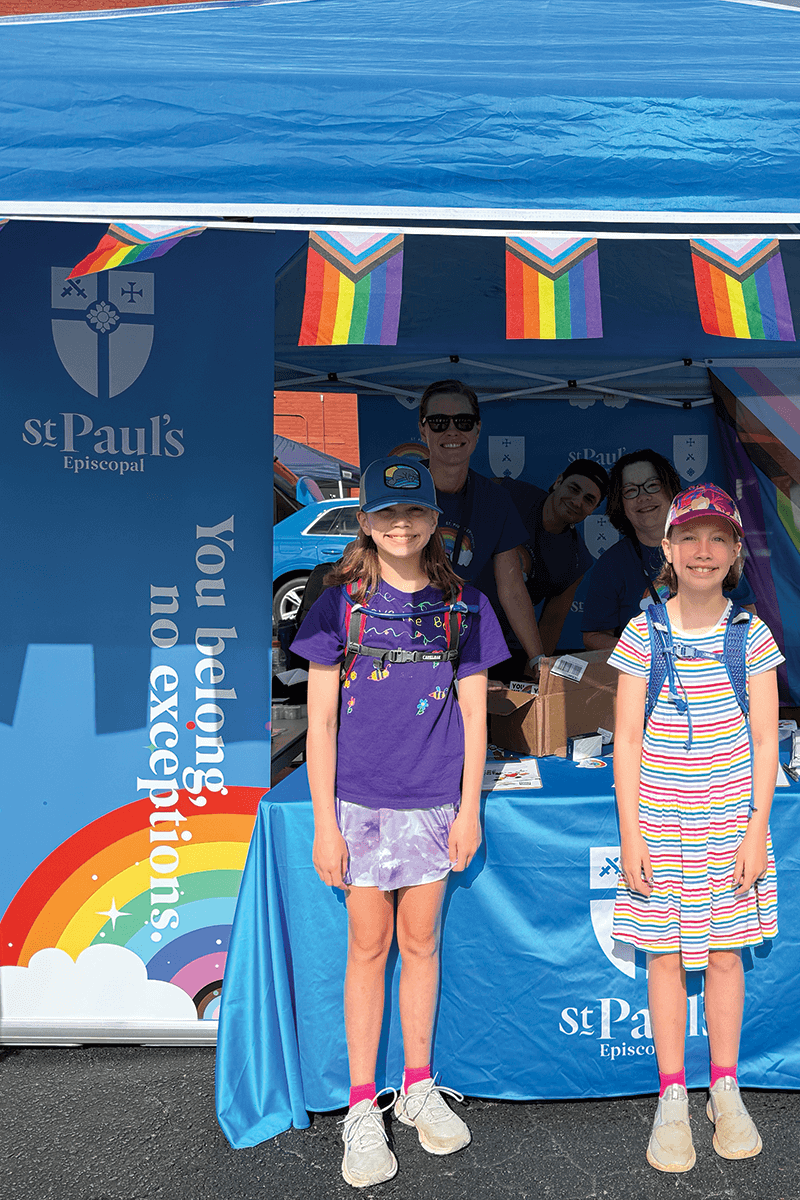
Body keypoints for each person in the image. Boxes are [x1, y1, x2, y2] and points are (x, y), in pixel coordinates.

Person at [291, 456, 509, 1189]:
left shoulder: (466, 607)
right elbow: (318, 724)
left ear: (434, 520)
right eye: (387, 514)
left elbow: (478, 718)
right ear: (366, 520)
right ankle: (362, 1106)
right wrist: (326, 823)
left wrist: (469, 808)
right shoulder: (338, 604)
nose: (402, 526)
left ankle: (417, 1086)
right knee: (368, 946)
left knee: (421, 944)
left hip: (434, 803)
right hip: (355, 804)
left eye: (415, 514)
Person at [609, 483, 782, 1173]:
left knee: (725, 955)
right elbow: (624, 739)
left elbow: (769, 743)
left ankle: (726, 1087)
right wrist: (630, 837)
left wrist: (754, 830)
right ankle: (673, 1093)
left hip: (731, 826)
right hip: (660, 826)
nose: (702, 550)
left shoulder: (752, 635)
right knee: (663, 957)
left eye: (717, 538)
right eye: (689, 537)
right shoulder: (642, 632)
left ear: (736, 551)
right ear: (667, 549)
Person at [417, 378, 545, 673]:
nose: (452, 430)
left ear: (477, 429)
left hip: (470, 646)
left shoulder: (495, 499)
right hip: (407, 640)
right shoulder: (402, 491)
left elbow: (512, 587)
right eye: (438, 422)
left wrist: (538, 659)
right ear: (422, 429)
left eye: (463, 421)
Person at [582, 450, 755, 650]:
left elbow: (747, 614)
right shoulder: (611, 564)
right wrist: (647, 652)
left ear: (671, 490)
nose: (643, 497)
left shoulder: (711, 550)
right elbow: (594, 637)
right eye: (630, 490)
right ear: (619, 503)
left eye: (652, 485)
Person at [497, 459, 608, 663]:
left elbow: (552, 622)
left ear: (593, 509)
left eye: (588, 499)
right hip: (455, 620)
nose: (577, 502)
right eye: (574, 489)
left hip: (502, 644)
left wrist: (535, 678)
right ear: (558, 481)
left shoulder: (578, 560)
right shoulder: (510, 492)